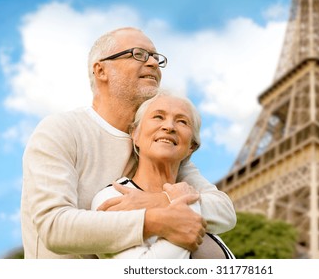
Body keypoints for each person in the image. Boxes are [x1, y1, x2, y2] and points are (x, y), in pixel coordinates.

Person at [21, 27, 236, 259]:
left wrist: (160, 200)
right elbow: (54, 227)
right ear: (101, 70)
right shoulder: (61, 130)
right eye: (139, 54)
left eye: (156, 57)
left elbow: (222, 209)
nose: (153, 62)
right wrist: (155, 220)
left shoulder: (156, 145)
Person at [91, 91, 235, 259]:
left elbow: (227, 213)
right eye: (158, 117)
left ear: (192, 146)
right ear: (135, 134)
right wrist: (186, 206)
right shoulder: (113, 197)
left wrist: (168, 200)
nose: (169, 127)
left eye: (182, 121)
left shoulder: (192, 194)